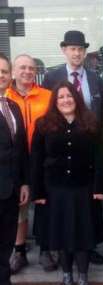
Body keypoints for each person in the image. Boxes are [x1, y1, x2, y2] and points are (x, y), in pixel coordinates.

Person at [30, 81, 103, 285]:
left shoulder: (90, 122)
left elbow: (99, 157)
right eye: (61, 97)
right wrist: (38, 192)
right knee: (62, 238)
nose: (65, 100)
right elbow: (36, 160)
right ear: (55, 101)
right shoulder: (44, 124)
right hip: (55, 191)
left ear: (76, 98)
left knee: (82, 238)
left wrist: (99, 186)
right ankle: (66, 277)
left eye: (69, 96)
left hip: (83, 190)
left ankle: (82, 277)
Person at [42, 30, 103, 265]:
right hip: (60, 151)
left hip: (87, 150)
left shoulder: (95, 78)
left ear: (85, 52)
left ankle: (88, 248)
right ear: (64, 51)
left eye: (80, 49)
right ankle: (58, 249)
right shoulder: (51, 78)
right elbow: (49, 112)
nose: (76, 53)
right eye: (72, 48)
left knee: (88, 207)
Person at [5, 54, 54, 273]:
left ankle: (46, 249)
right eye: (22, 67)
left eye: (31, 68)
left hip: (43, 159)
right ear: (14, 72)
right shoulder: (4, 96)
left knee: (44, 205)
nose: (27, 71)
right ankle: (19, 251)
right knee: (20, 208)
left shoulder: (47, 95)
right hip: (16, 161)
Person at [0, 53, 31, 285]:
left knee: (6, 240)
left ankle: (4, 283)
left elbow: (20, 149)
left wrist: (23, 182)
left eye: (4, 71)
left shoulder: (12, 106)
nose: (1, 75)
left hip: (11, 188)